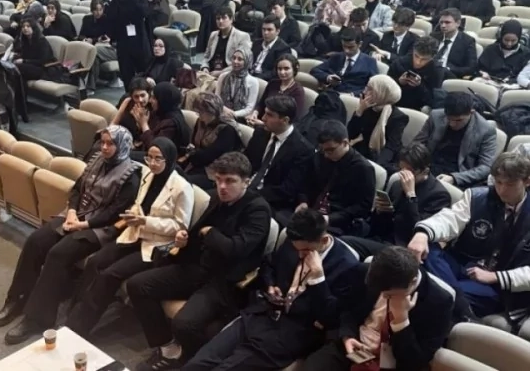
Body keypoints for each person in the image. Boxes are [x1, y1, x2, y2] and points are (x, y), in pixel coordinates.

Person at [0, 126, 140, 344]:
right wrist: (71, 211)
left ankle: (37, 319)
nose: (104, 147)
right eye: (103, 142)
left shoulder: (131, 176)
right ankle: (17, 298)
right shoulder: (97, 159)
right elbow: (77, 189)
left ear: (122, 146)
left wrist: (83, 224)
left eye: (110, 144)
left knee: (58, 253)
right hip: (75, 216)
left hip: (99, 228)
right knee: (36, 241)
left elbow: (114, 213)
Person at [128, 152, 271, 370]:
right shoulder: (217, 199)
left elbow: (236, 249)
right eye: (219, 180)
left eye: (230, 181)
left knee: (184, 323)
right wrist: (184, 239)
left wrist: (210, 233)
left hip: (224, 280)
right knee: (137, 285)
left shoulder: (258, 210)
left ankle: (195, 362)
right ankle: (168, 348)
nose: (222, 186)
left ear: (246, 181)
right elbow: (197, 233)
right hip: (199, 267)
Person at [184, 208, 362, 371]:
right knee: (197, 364)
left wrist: (318, 279)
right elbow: (269, 264)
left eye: (306, 250)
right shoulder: (295, 242)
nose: (300, 255)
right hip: (262, 314)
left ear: (323, 240)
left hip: (292, 333)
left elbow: (332, 318)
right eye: (297, 249)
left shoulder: (347, 266)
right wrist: (271, 285)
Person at [66, 137, 194, 337]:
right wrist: (133, 215)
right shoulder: (147, 175)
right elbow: (139, 204)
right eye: (149, 157)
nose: (152, 163)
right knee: (96, 262)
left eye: (158, 159)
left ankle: (78, 327)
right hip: (134, 233)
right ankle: (74, 312)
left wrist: (145, 221)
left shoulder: (182, 187)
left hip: (155, 245)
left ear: (169, 159)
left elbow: (180, 226)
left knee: (109, 275)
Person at [410, 153, 530, 333]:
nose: (502, 190)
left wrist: (496, 277)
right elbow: (449, 219)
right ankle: (463, 309)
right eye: (498, 182)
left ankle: (447, 300)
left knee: (429, 291)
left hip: (492, 282)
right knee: (430, 247)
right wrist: (422, 233)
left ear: (527, 181)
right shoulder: (477, 197)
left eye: (510, 184)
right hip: (460, 265)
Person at [303, 246, 454, 371]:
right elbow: (347, 310)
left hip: (393, 361)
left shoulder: (439, 302)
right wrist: (348, 336)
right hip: (354, 343)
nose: (382, 296)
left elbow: (415, 362)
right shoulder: (364, 271)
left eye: (389, 295)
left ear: (412, 282)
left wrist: (401, 322)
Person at [344, 143, 452, 259]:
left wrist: (411, 195)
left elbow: (417, 231)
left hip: (404, 249)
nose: (404, 176)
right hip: (382, 239)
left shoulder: (439, 196)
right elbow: (377, 227)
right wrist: (381, 211)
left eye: (410, 171)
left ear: (425, 170)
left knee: (346, 243)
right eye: (402, 169)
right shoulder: (397, 184)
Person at [244, 95, 316, 225]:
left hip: (271, 201)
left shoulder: (303, 149)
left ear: (285, 120)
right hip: (244, 187)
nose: (263, 118)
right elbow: (245, 161)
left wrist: (250, 194)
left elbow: (288, 189)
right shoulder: (260, 132)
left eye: (269, 115)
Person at [299, 120, 376, 236]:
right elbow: (307, 182)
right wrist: (303, 201)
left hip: (340, 221)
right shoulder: (320, 156)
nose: (326, 155)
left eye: (330, 150)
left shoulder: (363, 168)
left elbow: (363, 207)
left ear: (345, 143)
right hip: (313, 212)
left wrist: (331, 218)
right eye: (323, 149)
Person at [414, 91, 497, 189]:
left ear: (471, 112)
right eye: (449, 119)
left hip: (459, 173)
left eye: (458, 120)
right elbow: (417, 143)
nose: (452, 124)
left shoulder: (486, 130)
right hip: (429, 165)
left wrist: (454, 178)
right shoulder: (435, 116)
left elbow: (485, 167)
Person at [348, 75, 408, 174]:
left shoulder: (398, 117)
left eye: (370, 89)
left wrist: (376, 166)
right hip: (364, 149)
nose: (364, 91)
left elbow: (391, 147)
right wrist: (359, 111)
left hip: (383, 156)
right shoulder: (366, 106)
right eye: (366, 87)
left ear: (381, 93)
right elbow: (350, 135)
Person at [182, 93, 243, 187]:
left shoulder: (227, 130)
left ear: (212, 112)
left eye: (201, 112)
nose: (199, 114)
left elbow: (211, 155)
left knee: (184, 182)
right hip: (197, 163)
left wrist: (193, 153)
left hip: (215, 171)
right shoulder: (201, 122)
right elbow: (193, 144)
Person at [107, 0, 152, 86]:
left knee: (143, 73)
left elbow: (143, 12)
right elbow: (110, 18)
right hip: (123, 43)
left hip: (139, 41)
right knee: (126, 74)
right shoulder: (115, 1)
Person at [310, 28, 378, 96]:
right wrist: (328, 77)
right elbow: (315, 70)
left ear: (360, 44)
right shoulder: (337, 57)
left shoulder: (370, 62)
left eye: (351, 47)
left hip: (353, 98)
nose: (346, 51)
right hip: (332, 95)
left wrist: (353, 94)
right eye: (344, 46)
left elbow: (374, 87)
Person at [388, 36, 444, 111]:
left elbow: (433, 100)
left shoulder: (437, 71)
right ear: (413, 50)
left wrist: (420, 86)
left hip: (418, 108)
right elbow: (386, 86)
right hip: (394, 103)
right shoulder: (400, 63)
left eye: (424, 59)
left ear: (432, 57)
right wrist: (399, 82)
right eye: (416, 56)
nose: (418, 62)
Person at [135, 82, 190, 154]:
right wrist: (139, 123)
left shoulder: (171, 123)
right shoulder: (158, 113)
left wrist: (144, 125)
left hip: (162, 158)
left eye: (154, 98)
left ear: (163, 100)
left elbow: (156, 148)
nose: (150, 100)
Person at [249, 54, 305, 121]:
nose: (282, 72)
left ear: (294, 69)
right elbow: (261, 104)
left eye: (286, 68)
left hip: (277, 125)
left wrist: (263, 124)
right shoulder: (273, 83)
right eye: (279, 69)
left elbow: (295, 119)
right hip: (260, 119)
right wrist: (255, 113)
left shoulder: (297, 90)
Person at [200, 7, 251, 78]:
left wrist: (221, 73)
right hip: (210, 72)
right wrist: (205, 67)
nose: (220, 21)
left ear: (231, 19)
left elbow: (242, 63)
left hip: (229, 74)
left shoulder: (242, 36)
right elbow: (206, 56)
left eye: (224, 18)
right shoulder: (213, 35)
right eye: (218, 18)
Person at [478, 19, 530, 83]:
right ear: (501, 36)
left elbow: (524, 76)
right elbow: (479, 68)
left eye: (513, 41)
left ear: (519, 38)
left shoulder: (525, 53)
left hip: (512, 85)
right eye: (506, 40)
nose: (509, 44)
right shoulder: (490, 49)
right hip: (488, 81)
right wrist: (482, 73)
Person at [433, 8, 479, 79]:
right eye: (441, 22)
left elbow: (471, 68)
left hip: (450, 76)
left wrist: (448, 69)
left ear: (458, 23)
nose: (443, 26)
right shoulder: (434, 37)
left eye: (447, 22)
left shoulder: (467, 41)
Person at [216, 49, 259, 120]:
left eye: (240, 59)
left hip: (240, 117)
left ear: (247, 62)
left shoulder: (253, 81)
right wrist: (224, 109)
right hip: (221, 112)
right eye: (234, 58)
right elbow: (216, 99)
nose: (235, 61)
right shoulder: (223, 76)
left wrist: (232, 114)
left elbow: (249, 109)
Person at [251, 16, 292, 80]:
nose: (265, 33)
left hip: (265, 80)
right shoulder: (256, 43)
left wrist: (256, 78)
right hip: (250, 75)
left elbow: (276, 72)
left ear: (277, 31)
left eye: (269, 30)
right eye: (264, 29)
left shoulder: (283, 48)